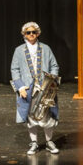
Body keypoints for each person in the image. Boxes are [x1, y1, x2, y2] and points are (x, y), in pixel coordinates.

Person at [10, 22, 60, 155]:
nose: (31, 34)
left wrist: (52, 80)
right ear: (24, 34)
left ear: (38, 33)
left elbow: (54, 65)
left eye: (33, 32)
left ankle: (49, 142)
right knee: (30, 116)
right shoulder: (19, 50)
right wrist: (20, 87)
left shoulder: (46, 48)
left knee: (47, 115)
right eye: (28, 32)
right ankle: (34, 142)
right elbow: (14, 69)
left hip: (45, 88)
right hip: (28, 88)